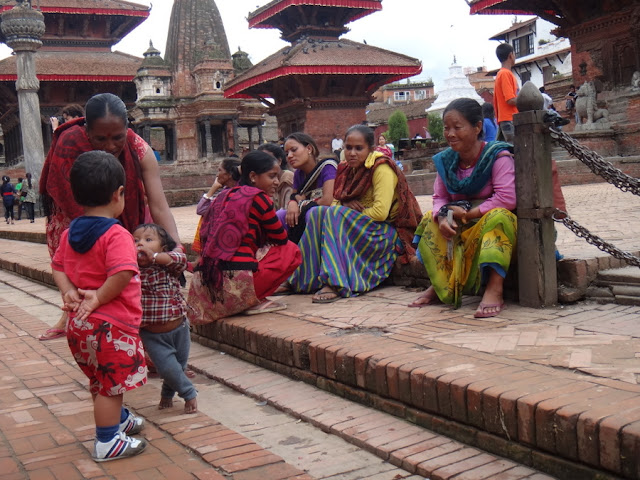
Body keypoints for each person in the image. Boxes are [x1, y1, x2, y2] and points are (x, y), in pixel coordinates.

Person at [38, 92, 181, 341]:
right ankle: (75, 316)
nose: (110, 146)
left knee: (123, 276)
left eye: (117, 137)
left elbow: (158, 204)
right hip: (74, 222)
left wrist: (175, 250)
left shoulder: (138, 149)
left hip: (121, 220)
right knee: (88, 275)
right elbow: (72, 202)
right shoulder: (70, 142)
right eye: (99, 138)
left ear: (127, 129)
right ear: (86, 131)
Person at [51, 151, 147, 462]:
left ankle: (118, 421)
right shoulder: (116, 234)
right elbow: (122, 272)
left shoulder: (70, 232)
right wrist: (99, 296)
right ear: (119, 194)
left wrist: (68, 292)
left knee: (99, 378)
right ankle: (107, 441)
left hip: (80, 325)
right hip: (110, 324)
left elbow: (58, 266)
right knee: (110, 386)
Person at [284, 124, 422, 303]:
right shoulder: (346, 169)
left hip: (383, 233)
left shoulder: (381, 168)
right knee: (319, 213)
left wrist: (346, 211)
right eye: (348, 148)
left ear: (370, 149)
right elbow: (335, 201)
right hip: (360, 227)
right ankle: (301, 278)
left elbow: (380, 213)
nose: (352, 153)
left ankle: (335, 281)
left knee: (335, 214)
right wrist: (345, 207)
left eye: (359, 148)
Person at [409, 98, 516, 318]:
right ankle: (442, 285)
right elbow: (439, 197)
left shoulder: (497, 156)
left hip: (489, 225)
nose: (450, 134)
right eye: (447, 128)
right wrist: (442, 217)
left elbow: (506, 197)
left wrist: (469, 214)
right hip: (459, 225)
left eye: (458, 127)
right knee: (430, 218)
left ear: (477, 127)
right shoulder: (446, 162)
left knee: (499, 216)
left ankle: (495, 288)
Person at [189, 150, 302, 319]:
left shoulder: (223, 195)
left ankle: (248, 297)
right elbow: (280, 238)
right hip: (236, 285)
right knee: (291, 250)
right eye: (272, 176)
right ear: (253, 177)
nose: (277, 182)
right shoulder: (259, 198)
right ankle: (253, 299)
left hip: (209, 284)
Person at [134, 223, 197, 414]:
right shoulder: (132, 269)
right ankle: (189, 393)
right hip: (152, 334)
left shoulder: (168, 264)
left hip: (180, 328)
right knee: (167, 368)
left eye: (148, 240)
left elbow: (181, 258)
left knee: (179, 365)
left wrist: (155, 257)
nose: (140, 244)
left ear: (162, 248)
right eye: (135, 241)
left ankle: (167, 394)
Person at [277, 133, 337, 244]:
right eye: (287, 153)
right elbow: (294, 197)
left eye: (294, 150)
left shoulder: (327, 167)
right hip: (307, 211)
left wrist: (301, 202)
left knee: (313, 213)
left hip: (327, 215)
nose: (289, 156)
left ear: (309, 148)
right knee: (280, 216)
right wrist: (292, 203)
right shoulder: (298, 174)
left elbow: (327, 201)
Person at [192, 158, 241, 254]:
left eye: (220, 170)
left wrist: (214, 188)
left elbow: (201, 209)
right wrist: (214, 188)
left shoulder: (236, 194)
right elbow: (201, 209)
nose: (217, 175)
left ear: (229, 175)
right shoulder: (224, 193)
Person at [494, 43, 519, 143]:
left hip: (505, 119)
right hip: (509, 118)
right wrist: (525, 100)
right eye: (514, 54)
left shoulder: (502, 74)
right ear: (510, 55)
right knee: (516, 150)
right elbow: (510, 99)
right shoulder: (505, 74)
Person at [258, 142, 294, 211]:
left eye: (268, 159)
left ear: (279, 161)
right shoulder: (261, 179)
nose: (264, 164)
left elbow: (287, 210)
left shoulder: (288, 178)